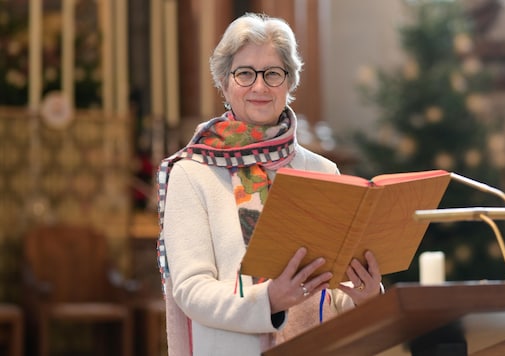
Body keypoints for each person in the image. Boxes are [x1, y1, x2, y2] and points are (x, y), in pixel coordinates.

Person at [156, 13, 383, 356]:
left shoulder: (322, 170)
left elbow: (336, 288)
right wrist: (269, 301)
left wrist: (367, 296)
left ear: (290, 82)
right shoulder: (192, 172)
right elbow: (190, 289)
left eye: (273, 74)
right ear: (223, 82)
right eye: (245, 73)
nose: (259, 86)